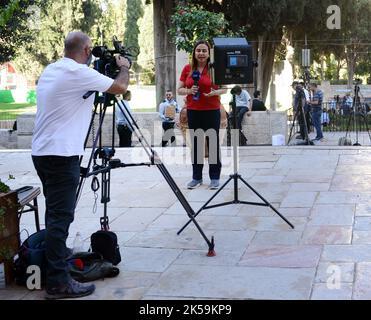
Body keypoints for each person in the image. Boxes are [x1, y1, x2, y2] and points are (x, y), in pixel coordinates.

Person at [31, 31, 130, 299]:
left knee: (55, 214)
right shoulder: (77, 72)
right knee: (60, 219)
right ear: (86, 50)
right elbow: (119, 88)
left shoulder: (53, 69)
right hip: (61, 156)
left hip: (42, 153)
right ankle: (58, 283)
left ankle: (57, 263)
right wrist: (124, 67)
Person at [178, 40, 227, 190]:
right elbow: (179, 89)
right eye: (198, 50)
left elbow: (224, 88)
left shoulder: (214, 68)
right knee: (197, 145)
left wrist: (214, 92)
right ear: (194, 53)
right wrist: (188, 91)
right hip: (194, 111)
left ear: (209, 53)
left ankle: (214, 178)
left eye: (204, 51)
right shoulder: (187, 68)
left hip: (212, 111)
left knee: (212, 144)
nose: (201, 53)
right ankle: (196, 177)